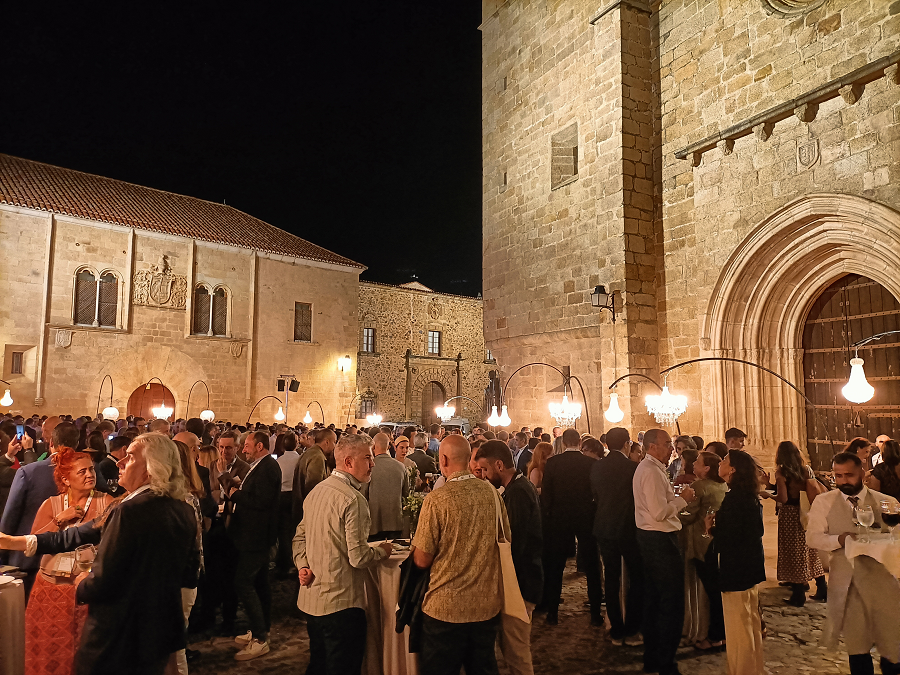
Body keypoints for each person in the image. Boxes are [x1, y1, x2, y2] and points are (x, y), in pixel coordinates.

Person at [76, 433, 200, 675]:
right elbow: (189, 575)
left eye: (130, 457)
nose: (120, 462)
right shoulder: (184, 509)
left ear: (152, 469)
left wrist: (82, 584)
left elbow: (104, 581)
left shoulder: (128, 512)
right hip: (158, 632)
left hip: (119, 635)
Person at [293, 433, 393, 675]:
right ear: (348, 462)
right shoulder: (352, 499)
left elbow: (299, 537)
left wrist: (302, 566)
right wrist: (382, 551)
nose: (373, 464)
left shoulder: (318, 490)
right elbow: (358, 557)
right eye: (367, 458)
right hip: (341, 603)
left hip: (312, 599)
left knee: (318, 664)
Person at [413, 434, 508, 675]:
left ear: (442, 459)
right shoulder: (493, 494)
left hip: (445, 608)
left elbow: (422, 559)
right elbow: (506, 538)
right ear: (469, 459)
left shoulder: (437, 500)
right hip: (485, 605)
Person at [807, 452, 900, 675]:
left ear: (862, 473)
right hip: (848, 585)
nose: (843, 481)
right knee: (857, 649)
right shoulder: (824, 502)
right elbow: (812, 538)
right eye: (838, 476)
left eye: (849, 475)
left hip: (883, 584)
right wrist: (837, 540)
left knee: (892, 646)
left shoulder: (886, 502)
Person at [25, 447, 113, 675]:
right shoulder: (51, 505)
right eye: (82, 471)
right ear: (66, 479)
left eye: (91, 469)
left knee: (86, 654)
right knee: (50, 653)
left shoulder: (108, 503)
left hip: (87, 590)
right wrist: (58, 520)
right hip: (51, 591)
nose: (90, 475)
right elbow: (35, 543)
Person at [474, 440, 543, 675]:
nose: (483, 475)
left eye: (485, 469)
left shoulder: (519, 493)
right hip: (519, 581)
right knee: (510, 647)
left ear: (499, 465)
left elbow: (515, 542)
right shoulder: (515, 488)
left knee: (516, 652)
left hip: (521, 584)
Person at [633, 428, 695, 675]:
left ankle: (654, 657)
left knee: (655, 600)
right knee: (670, 603)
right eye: (667, 443)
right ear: (652, 447)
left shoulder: (653, 469)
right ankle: (665, 662)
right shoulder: (650, 472)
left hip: (652, 538)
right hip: (659, 540)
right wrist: (684, 500)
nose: (671, 448)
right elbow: (659, 512)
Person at [709, 449, 767, 675]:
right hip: (749, 568)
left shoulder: (735, 498)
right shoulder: (746, 494)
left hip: (736, 569)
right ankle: (753, 668)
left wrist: (711, 529)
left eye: (724, 460)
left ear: (732, 469)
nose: (720, 463)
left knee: (738, 629)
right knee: (749, 623)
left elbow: (732, 537)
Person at [0, 418, 71, 598]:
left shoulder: (30, 472)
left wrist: (4, 548)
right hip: (66, 558)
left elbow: (11, 515)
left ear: (51, 441)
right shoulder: (87, 470)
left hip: (27, 556)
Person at [226, 431, 281, 660]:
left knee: (243, 582)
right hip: (252, 533)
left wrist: (236, 494)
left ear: (259, 446)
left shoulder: (268, 467)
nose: (243, 449)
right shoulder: (260, 465)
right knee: (259, 584)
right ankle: (261, 629)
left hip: (257, 536)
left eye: (247, 445)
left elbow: (263, 502)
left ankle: (260, 638)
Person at [541, 428, 603, 626]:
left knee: (556, 567)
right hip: (586, 517)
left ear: (565, 443)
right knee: (592, 566)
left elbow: (547, 495)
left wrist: (549, 516)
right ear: (578, 442)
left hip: (559, 519)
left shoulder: (553, 463)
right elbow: (596, 492)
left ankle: (552, 613)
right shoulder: (591, 463)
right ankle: (595, 614)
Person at [591, 427, 644, 646]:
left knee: (611, 579)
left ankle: (616, 631)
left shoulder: (596, 467)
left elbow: (595, 495)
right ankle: (632, 629)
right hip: (629, 528)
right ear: (627, 444)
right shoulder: (633, 468)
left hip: (604, 527)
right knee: (637, 578)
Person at [678, 450, 727, 651]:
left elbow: (688, 515)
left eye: (697, 462)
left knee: (711, 591)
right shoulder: (722, 485)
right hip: (716, 542)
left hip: (701, 542)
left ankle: (714, 635)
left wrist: (672, 509)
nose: (693, 465)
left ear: (706, 468)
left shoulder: (699, 486)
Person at [772, 441, 827, 606]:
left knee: (793, 553)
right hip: (805, 512)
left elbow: (783, 498)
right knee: (809, 551)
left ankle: (798, 594)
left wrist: (768, 494)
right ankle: (822, 588)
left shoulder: (781, 472)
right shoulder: (805, 470)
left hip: (790, 514)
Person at [367, 432, 409, 541]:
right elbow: (406, 495)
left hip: (374, 521)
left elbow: (363, 494)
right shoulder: (401, 467)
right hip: (395, 520)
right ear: (388, 447)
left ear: (373, 446)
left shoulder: (369, 467)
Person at [292, 428, 335, 525]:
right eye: (334, 442)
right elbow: (314, 487)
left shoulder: (310, 452)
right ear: (327, 442)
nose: (334, 446)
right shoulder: (317, 457)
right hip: (309, 512)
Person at [275, 431, 300, 576]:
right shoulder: (300, 460)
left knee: (283, 533)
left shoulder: (278, 462)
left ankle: (284, 563)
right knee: (294, 530)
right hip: (294, 496)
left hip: (282, 496)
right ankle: (293, 562)